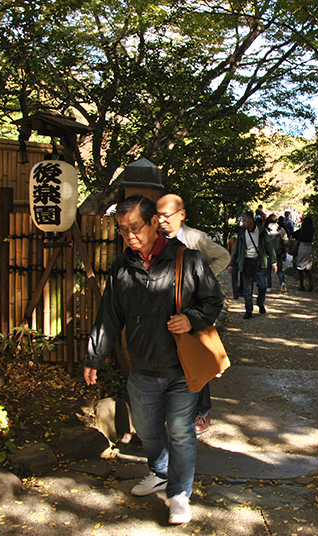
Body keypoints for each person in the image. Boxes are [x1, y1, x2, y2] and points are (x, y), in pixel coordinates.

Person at [84, 195, 224, 525]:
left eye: (135, 227)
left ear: (152, 224)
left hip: (180, 368)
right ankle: (159, 472)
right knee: (147, 429)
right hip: (143, 366)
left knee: (180, 431)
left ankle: (178, 494)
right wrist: (95, 355)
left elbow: (213, 300)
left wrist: (191, 318)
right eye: (123, 230)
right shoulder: (122, 267)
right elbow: (109, 316)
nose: (129, 235)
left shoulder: (186, 259)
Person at [156, 193, 229, 434]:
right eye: (158, 216)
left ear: (181, 215)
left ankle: (201, 411)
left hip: (195, 309)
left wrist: (203, 278)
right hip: (167, 311)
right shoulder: (154, 240)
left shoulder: (195, 238)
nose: (162, 220)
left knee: (196, 357)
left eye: (166, 216)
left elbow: (223, 256)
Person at [228, 210, 276, 319]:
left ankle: (260, 303)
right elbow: (236, 249)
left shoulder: (261, 231)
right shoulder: (241, 233)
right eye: (242, 221)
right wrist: (231, 264)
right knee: (247, 287)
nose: (243, 223)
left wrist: (274, 262)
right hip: (246, 262)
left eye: (245, 220)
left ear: (251, 220)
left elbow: (269, 246)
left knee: (262, 286)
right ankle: (248, 310)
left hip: (259, 261)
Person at [266, 213, 290, 293]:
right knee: (280, 270)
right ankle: (282, 283)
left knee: (268, 270)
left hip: (268, 254)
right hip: (278, 253)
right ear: (277, 220)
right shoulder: (281, 230)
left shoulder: (266, 230)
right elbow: (286, 241)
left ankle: (269, 287)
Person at [293, 215, 314, 291]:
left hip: (302, 247)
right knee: (307, 268)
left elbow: (294, 234)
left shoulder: (302, 230)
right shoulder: (312, 230)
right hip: (309, 248)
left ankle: (302, 286)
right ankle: (310, 281)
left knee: (300, 267)